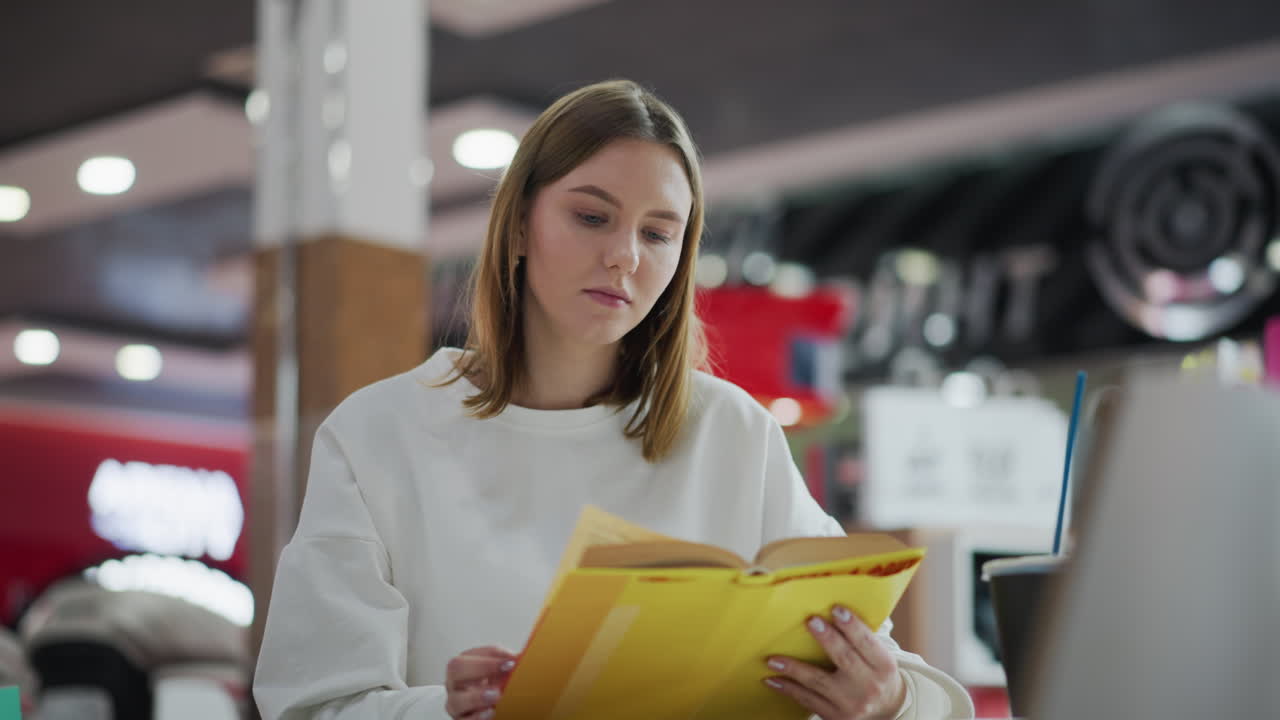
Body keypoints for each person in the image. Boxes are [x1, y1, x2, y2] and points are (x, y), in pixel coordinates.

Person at [253, 79, 974, 720]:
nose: (626, 256)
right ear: (518, 228)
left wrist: (887, 700)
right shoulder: (379, 432)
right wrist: (447, 709)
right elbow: (313, 701)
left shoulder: (732, 432)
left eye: (658, 233)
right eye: (592, 217)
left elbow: (915, 690)